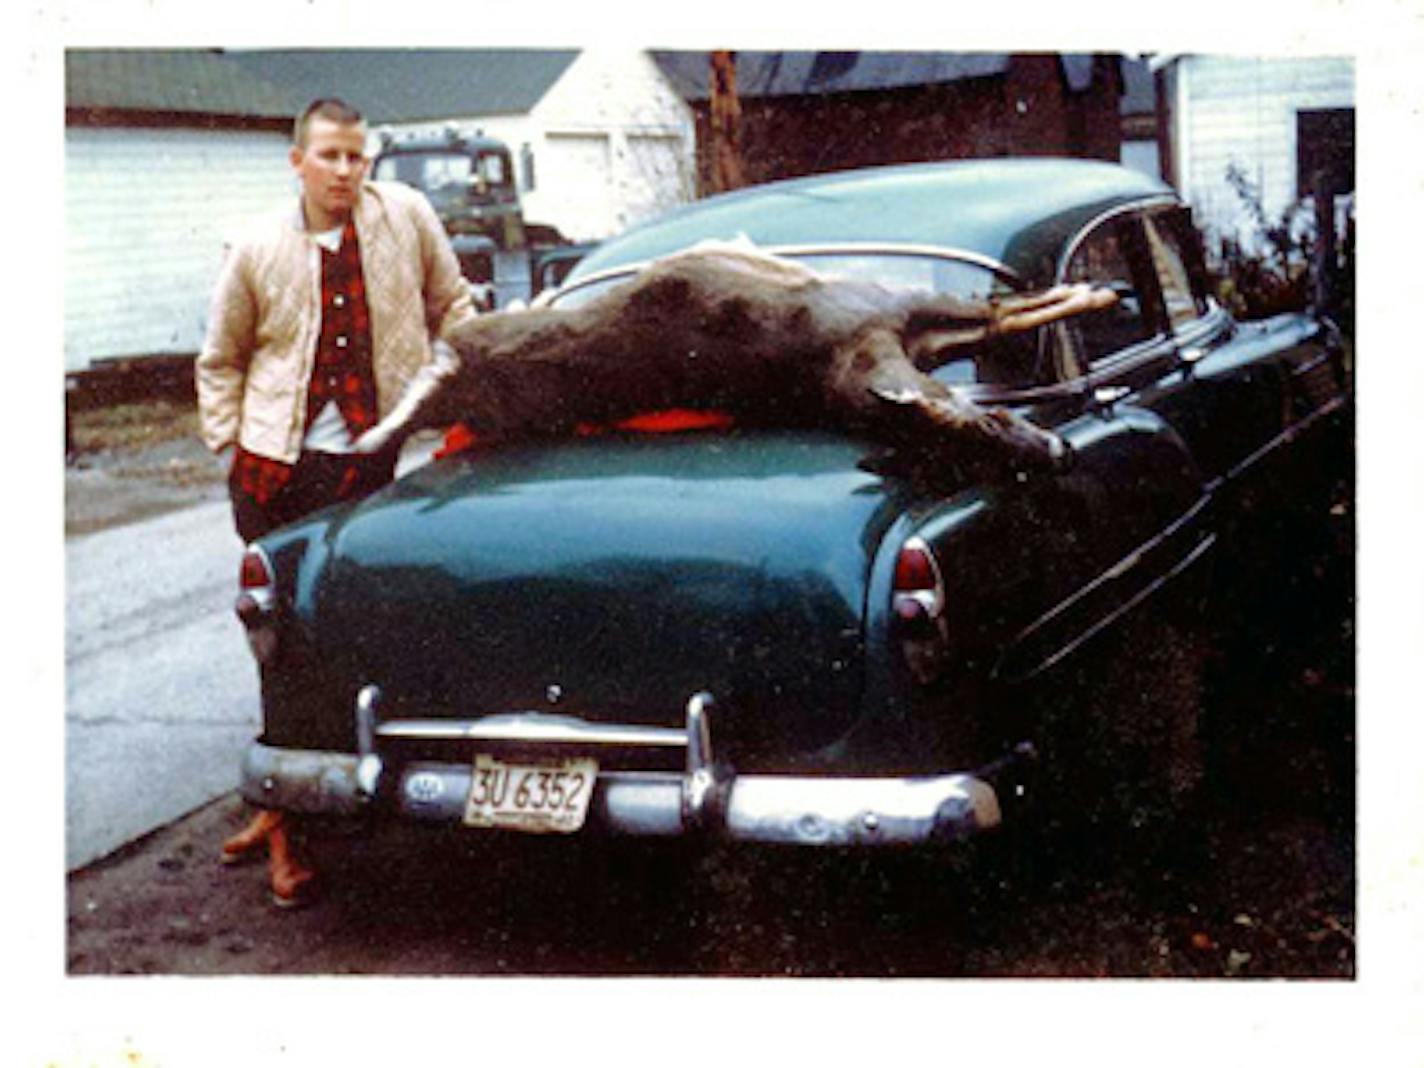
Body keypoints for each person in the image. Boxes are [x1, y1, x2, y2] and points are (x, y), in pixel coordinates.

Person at [197, 98, 477, 907]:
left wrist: (450, 385)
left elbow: (452, 306)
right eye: (329, 156)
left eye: (358, 157)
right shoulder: (255, 248)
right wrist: (231, 440)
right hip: (276, 471)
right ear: (298, 161)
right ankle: (284, 831)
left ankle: (320, 797)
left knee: (356, 629)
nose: (346, 171)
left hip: (367, 465)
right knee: (280, 645)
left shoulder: (408, 218)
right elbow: (221, 359)